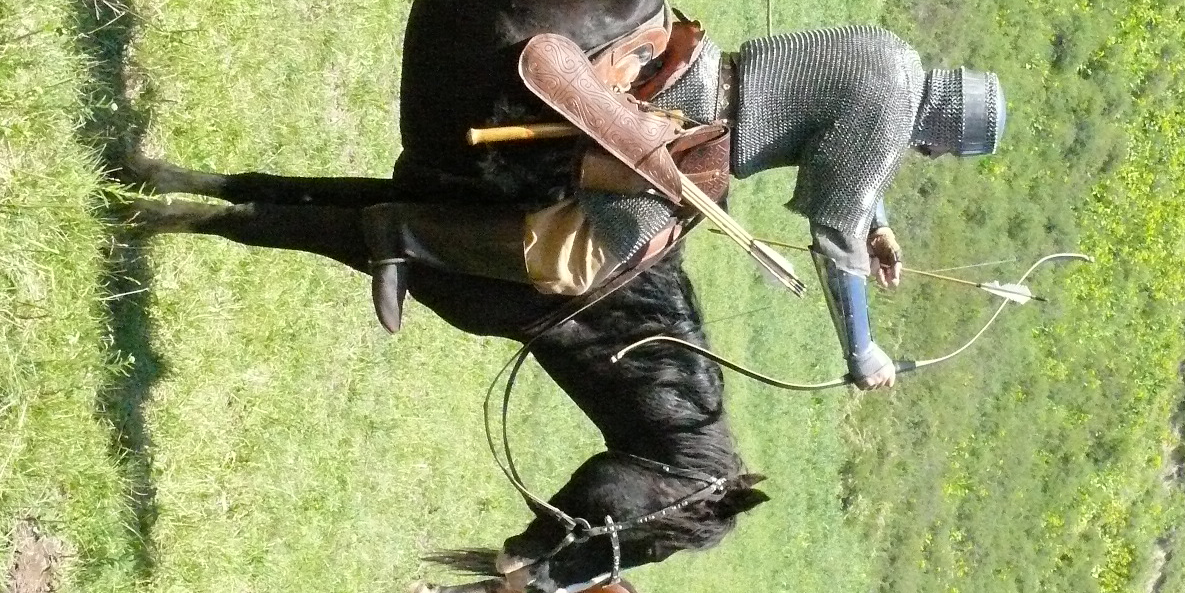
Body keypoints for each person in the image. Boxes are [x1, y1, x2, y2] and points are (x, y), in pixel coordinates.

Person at [365, 23, 1005, 390]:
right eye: (950, 148)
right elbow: (836, 231)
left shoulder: (895, 57)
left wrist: (882, 228)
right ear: (949, 124)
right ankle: (406, 232)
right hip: (695, 128)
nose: (939, 155)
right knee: (582, 262)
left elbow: (858, 166)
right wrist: (862, 350)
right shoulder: (894, 116)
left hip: (705, 69)